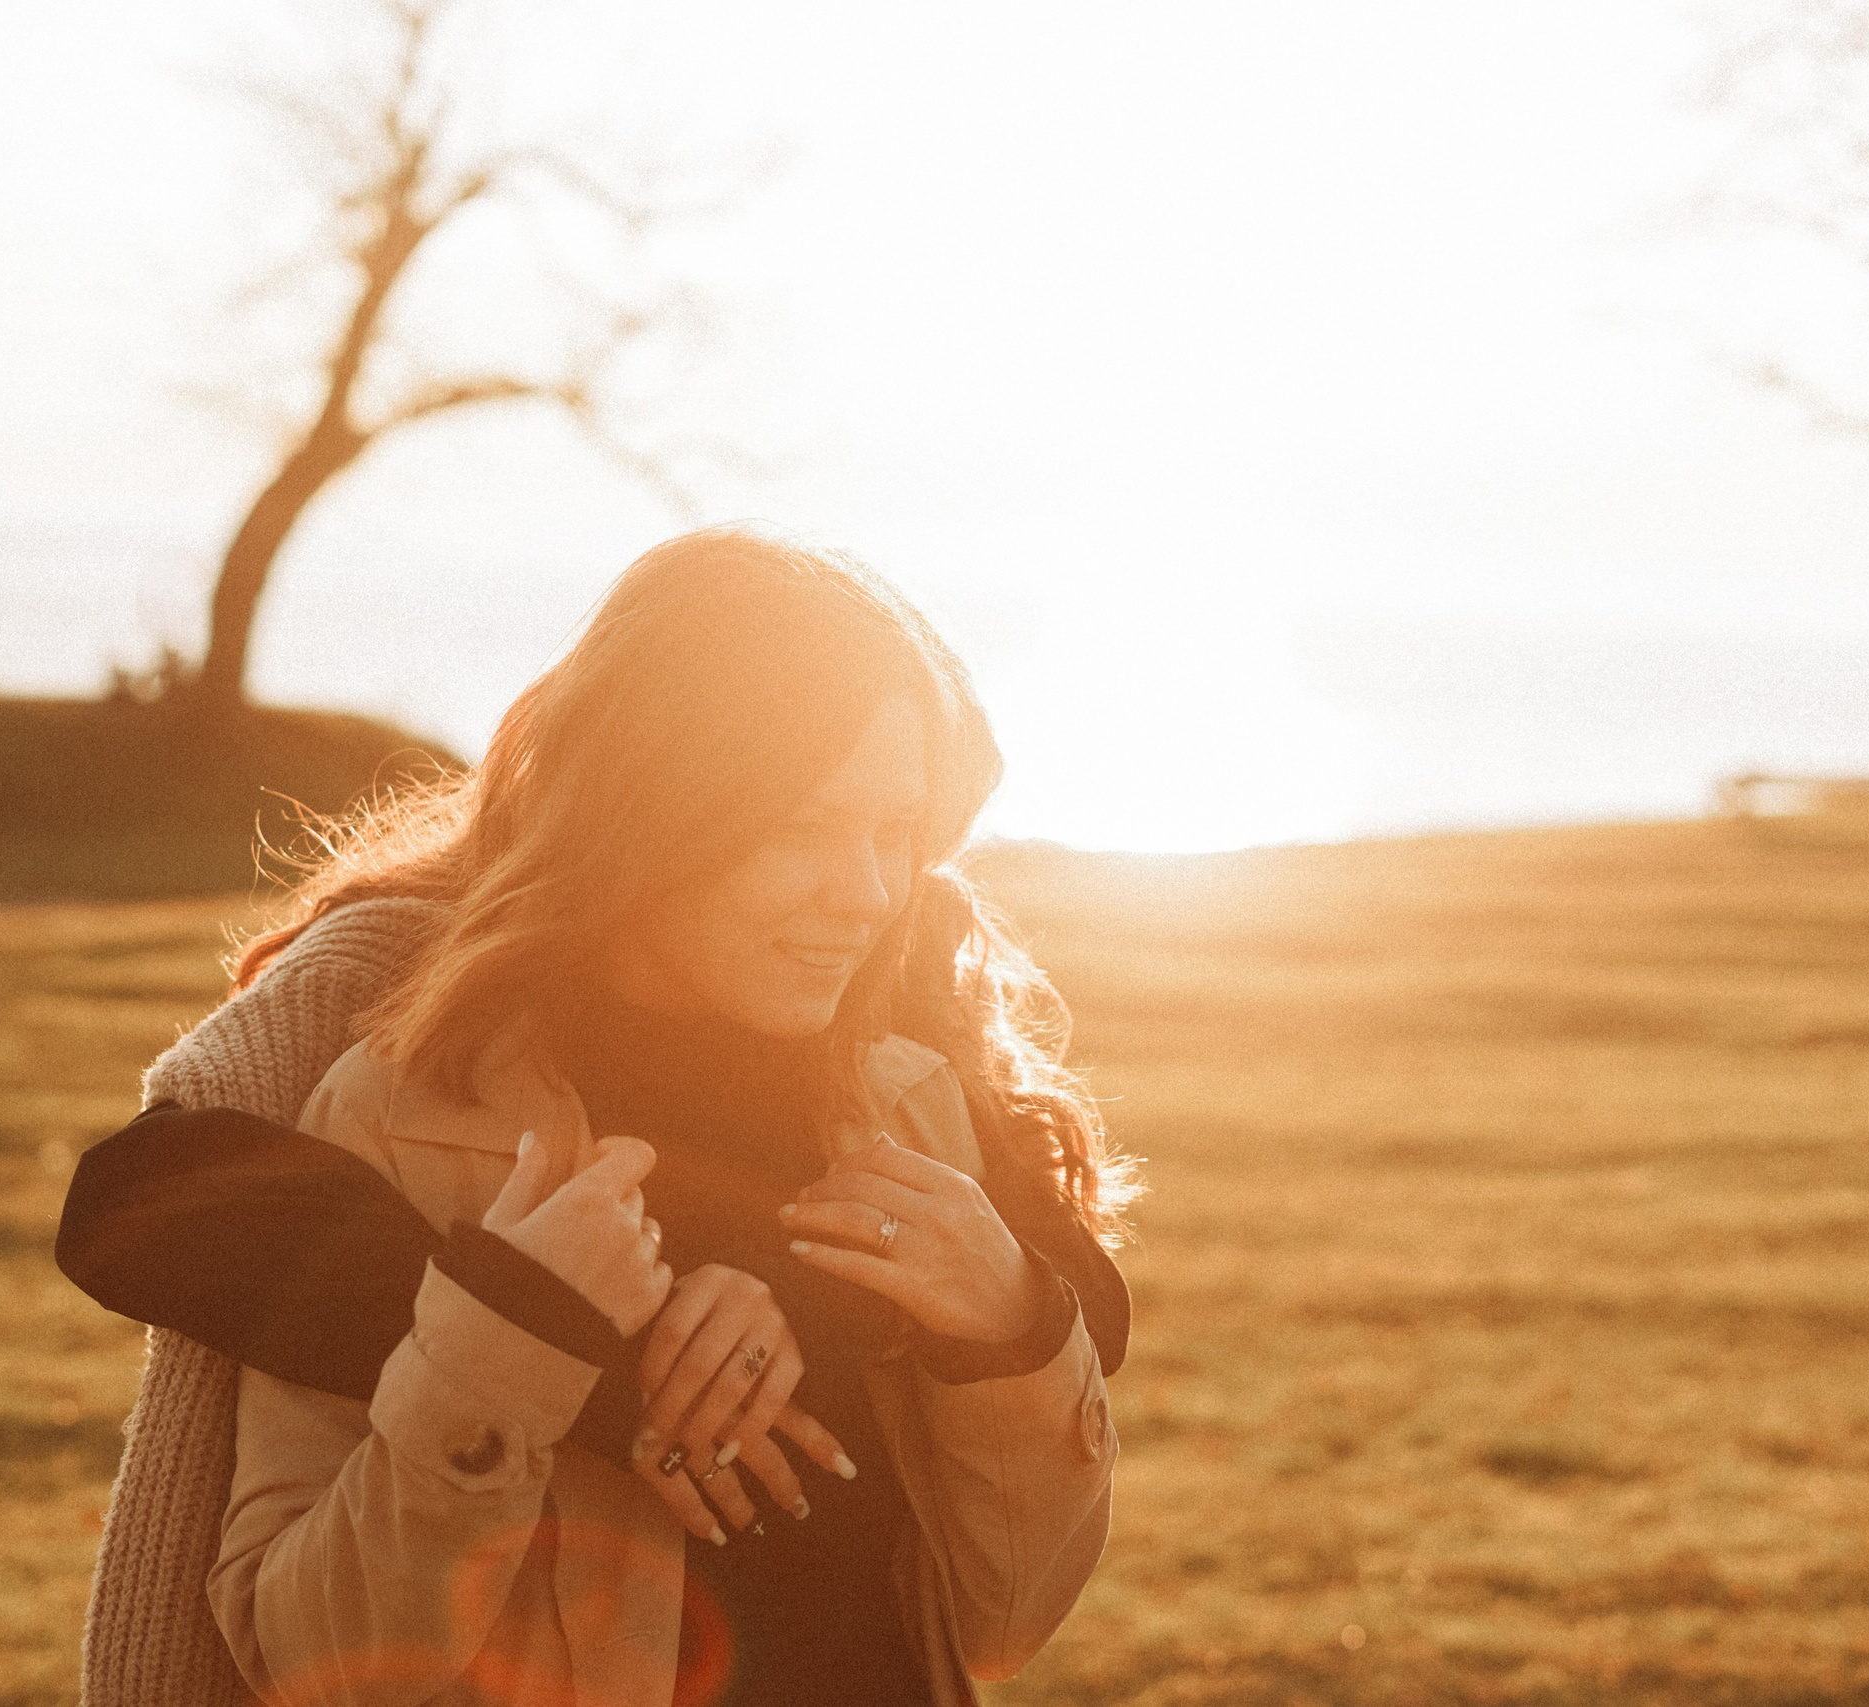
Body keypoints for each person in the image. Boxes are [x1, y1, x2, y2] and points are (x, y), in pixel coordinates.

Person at [61, 527, 1135, 1707]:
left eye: (898, 833)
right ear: (652, 811)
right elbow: (322, 1666)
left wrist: (1013, 1332)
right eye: (802, 827)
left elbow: (1000, 1620)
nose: (871, 893)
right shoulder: (406, 1111)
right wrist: (528, 1343)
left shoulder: (911, 1096)